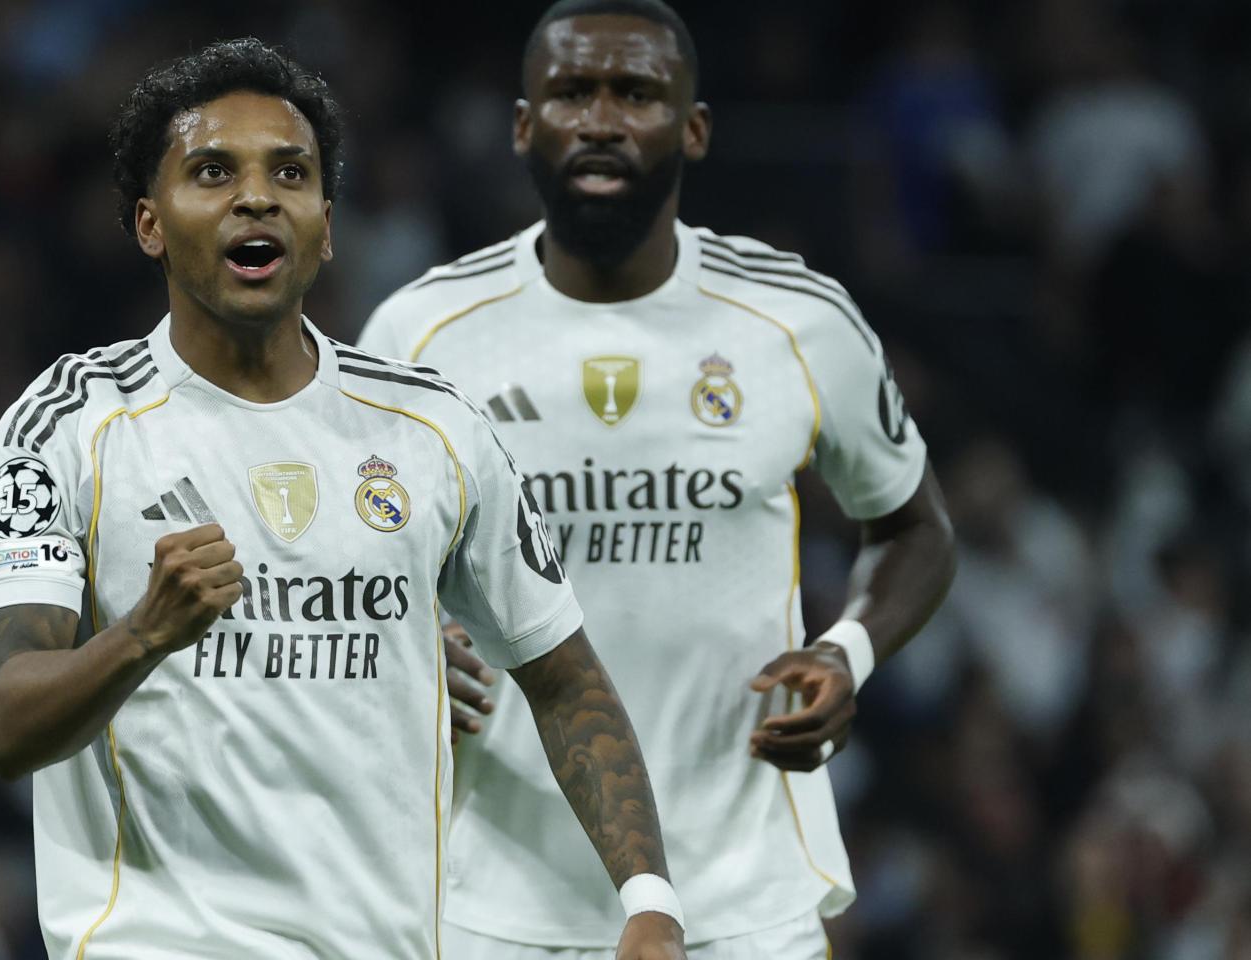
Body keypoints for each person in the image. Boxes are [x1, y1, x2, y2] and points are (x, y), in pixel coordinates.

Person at [0, 38, 687, 960]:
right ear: (150, 224)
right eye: (213, 171)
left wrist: (650, 902)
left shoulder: (434, 431)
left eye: (290, 173)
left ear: (326, 221)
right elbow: (5, 726)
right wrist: (141, 633)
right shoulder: (67, 428)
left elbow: (563, 676)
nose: (256, 196)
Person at [359, 2, 957, 958]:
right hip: (494, 899)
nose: (600, 118)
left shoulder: (799, 323)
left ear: (694, 128)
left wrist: (850, 650)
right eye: (571, 92)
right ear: (523, 125)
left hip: (745, 895)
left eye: (634, 93)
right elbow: (349, 563)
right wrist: (410, 630)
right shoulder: (417, 337)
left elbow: (916, 527)